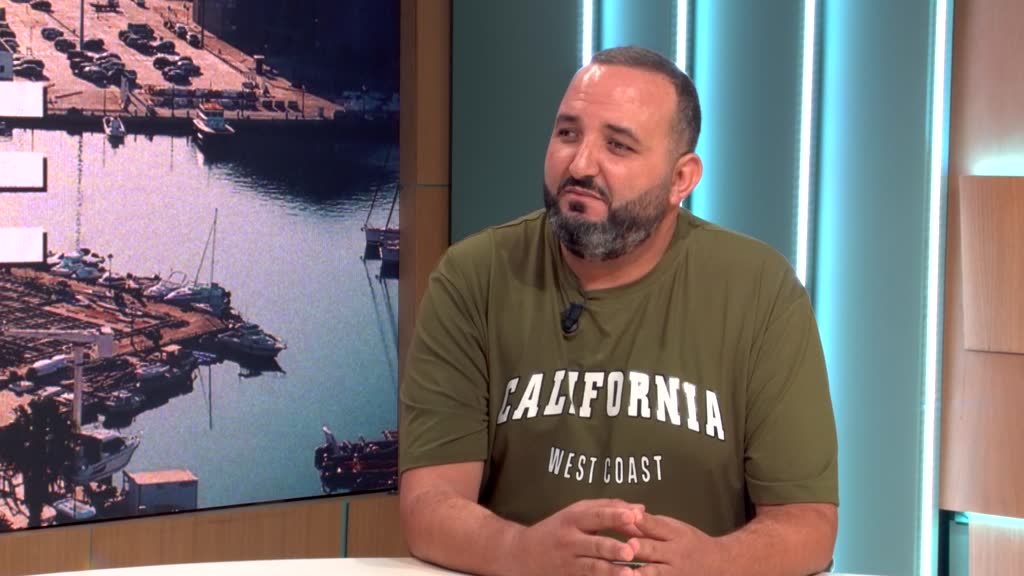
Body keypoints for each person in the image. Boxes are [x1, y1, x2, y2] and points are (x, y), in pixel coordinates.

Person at [399, 46, 838, 576]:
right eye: (567, 133)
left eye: (618, 145)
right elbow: (430, 505)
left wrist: (716, 562)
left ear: (681, 179)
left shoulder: (760, 291)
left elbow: (808, 523)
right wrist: (521, 551)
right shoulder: (474, 277)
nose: (580, 165)